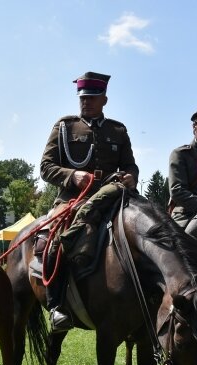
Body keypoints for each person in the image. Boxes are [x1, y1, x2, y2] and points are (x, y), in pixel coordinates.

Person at [40, 71, 138, 331]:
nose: (86, 102)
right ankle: (57, 306)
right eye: (83, 98)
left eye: (93, 98)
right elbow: (45, 167)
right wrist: (73, 176)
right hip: (72, 199)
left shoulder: (117, 130)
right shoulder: (65, 126)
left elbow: (130, 165)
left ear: (104, 99)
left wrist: (131, 178)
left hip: (112, 196)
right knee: (54, 241)